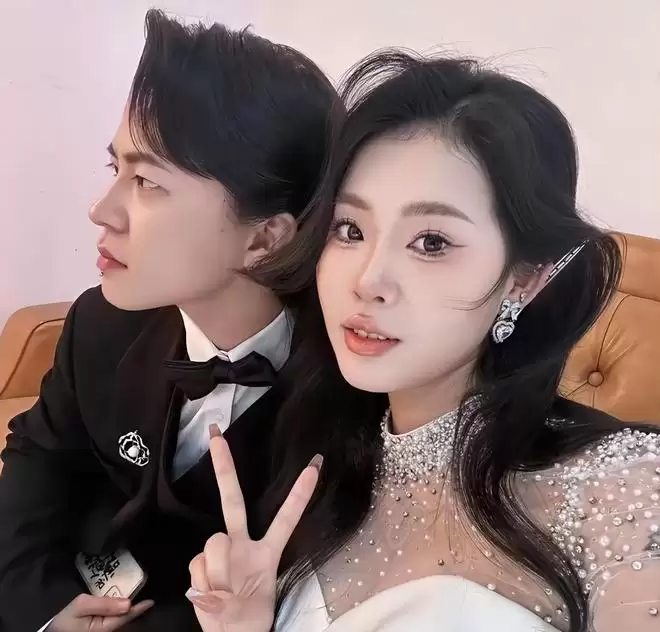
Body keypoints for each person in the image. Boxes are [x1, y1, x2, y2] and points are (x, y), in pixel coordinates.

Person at [185, 51, 660, 632]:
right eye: (349, 229)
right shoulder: (317, 462)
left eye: (432, 243)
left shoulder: (621, 487)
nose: (368, 281)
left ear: (525, 278)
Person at [0, 8, 338, 632]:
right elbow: (38, 457)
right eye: (117, 170)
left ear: (264, 238)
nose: (102, 211)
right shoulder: (101, 324)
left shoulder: (345, 402)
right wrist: (40, 608)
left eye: (148, 183)